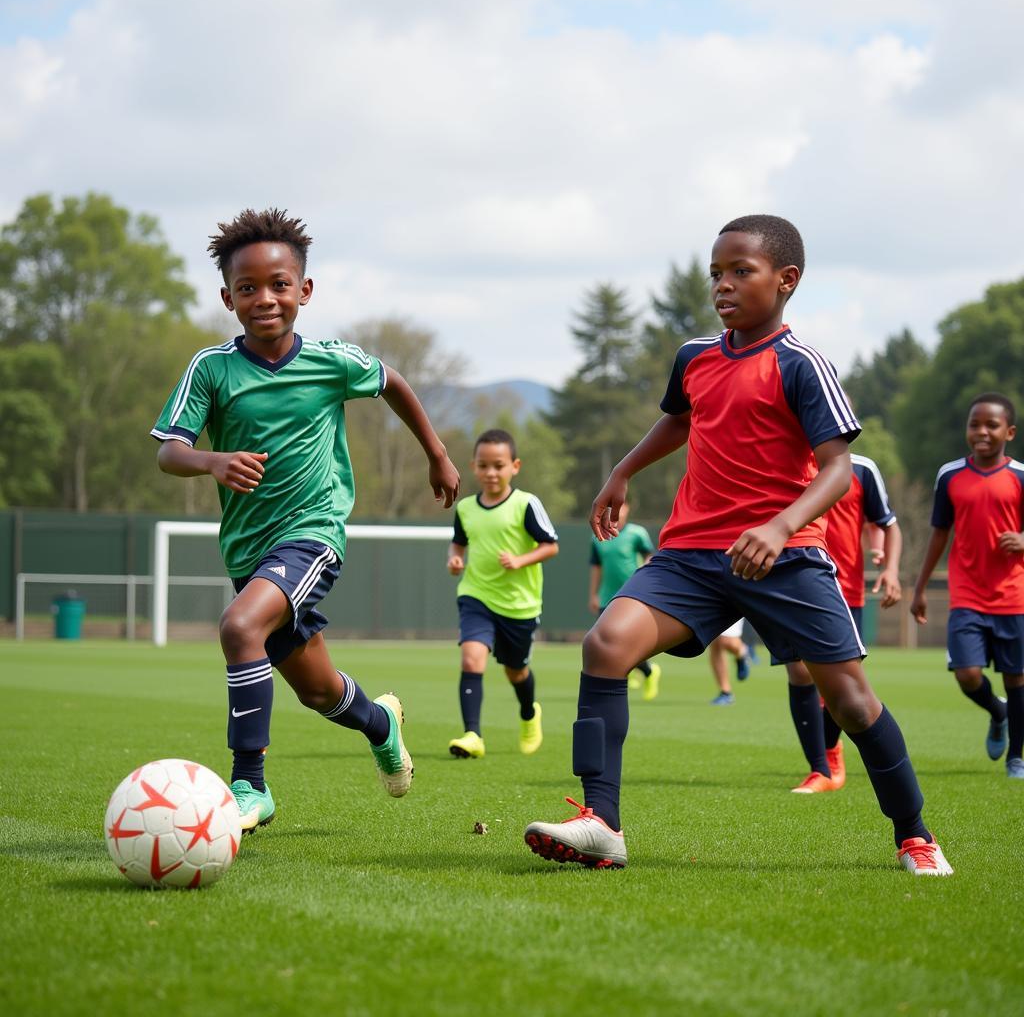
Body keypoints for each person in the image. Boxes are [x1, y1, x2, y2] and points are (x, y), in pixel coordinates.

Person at [523, 214, 951, 876]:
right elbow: (679, 419)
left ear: (786, 281)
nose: (722, 285)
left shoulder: (800, 363)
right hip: (691, 555)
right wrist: (624, 470)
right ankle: (602, 823)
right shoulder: (695, 356)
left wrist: (780, 527)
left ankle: (916, 836)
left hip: (786, 558)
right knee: (605, 644)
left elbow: (838, 469)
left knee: (852, 702)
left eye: (739, 272)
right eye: (715, 273)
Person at [151, 207, 460, 832]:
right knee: (319, 691)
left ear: (304, 291)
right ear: (228, 298)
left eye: (279, 285)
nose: (265, 298)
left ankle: (250, 786)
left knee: (240, 627)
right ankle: (382, 723)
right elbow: (169, 451)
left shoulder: (331, 361)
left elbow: (393, 382)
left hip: (312, 533)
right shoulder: (211, 369)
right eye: (248, 288)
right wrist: (211, 461)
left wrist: (437, 453)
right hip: (249, 553)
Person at [910, 392, 1024, 780]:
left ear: (1008, 431)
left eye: (991, 425)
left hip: (1014, 594)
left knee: (1017, 677)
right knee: (967, 674)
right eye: (975, 424)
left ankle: (1016, 758)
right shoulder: (950, 475)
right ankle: (998, 711)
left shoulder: (1020, 476)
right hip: (967, 595)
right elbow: (939, 533)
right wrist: (921, 588)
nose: (981, 432)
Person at [788, 454, 903, 793]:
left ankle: (830, 751)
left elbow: (887, 523)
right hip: (789, 582)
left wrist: (890, 568)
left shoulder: (862, 468)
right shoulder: (783, 459)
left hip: (842, 587)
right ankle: (820, 769)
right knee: (799, 670)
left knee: (839, 684)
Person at [446, 429, 559, 759]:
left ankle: (528, 714)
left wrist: (520, 560)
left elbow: (551, 546)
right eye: (483, 465)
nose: (491, 472)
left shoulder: (526, 504)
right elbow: (459, 542)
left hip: (519, 605)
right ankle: (473, 735)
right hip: (476, 594)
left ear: (515, 466)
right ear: (474, 467)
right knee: (471, 657)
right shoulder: (466, 507)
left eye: (498, 465)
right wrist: (455, 559)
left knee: (516, 671)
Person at [589, 500, 663, 701]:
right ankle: (637, 674)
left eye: (621, 509)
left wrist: (643, 575)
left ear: (628, 509)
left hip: (632, 595)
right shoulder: (598, 536)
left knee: (627, 643)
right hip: (607, 597)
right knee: (606, 643)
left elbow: (650, 556)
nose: (617, 513)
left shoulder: (636, 533)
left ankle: (647, 672)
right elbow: (596, 567)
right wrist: (593, 594)